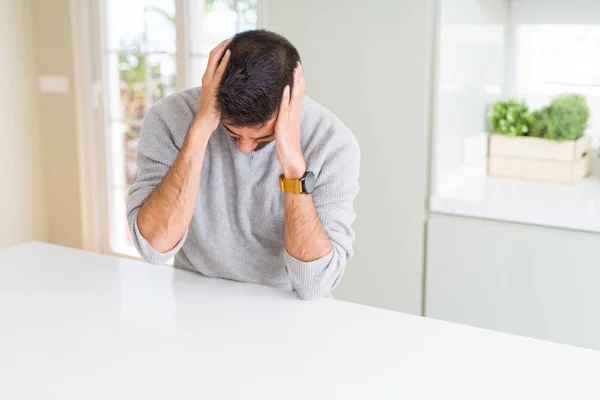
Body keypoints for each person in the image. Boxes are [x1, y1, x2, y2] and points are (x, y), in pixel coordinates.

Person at [127, 30, 360, 300]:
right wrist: (199, 133)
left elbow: (315, 284)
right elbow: (154, 249)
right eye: (233, 132)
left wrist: (295, 170)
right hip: (195, 299)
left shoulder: (333, 143)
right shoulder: (168, 118)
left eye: (261, 136)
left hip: (286, 306)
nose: (244, 147)